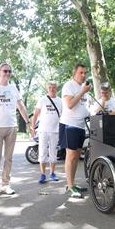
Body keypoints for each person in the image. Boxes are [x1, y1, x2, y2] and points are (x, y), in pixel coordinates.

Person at [0, 63, 29, 195]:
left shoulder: (13, 88)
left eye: (9, 71)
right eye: (5, 71)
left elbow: (21, 106)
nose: (7, 73)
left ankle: (6, 184)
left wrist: (28, 121)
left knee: (9, 158)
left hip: (11, 127)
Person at [59, 64, 91, 198]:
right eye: (81, 73)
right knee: (70, 155)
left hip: (81, 126)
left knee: (77, 156)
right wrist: (82, 92)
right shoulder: (69, 85)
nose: (83, 75)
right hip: (69, 125)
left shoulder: (82, 88)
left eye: (85, 73)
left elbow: (84, 106)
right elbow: (70, 105)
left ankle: (72, 184)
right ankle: (70, 186)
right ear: (74, 73)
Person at [31, 82, 62, 184]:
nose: (52, 89)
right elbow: (35, 115)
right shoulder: (42, 100)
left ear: (56, 89)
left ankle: (52, 173)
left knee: (53, 153)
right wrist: (32, 128)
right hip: (43, 131)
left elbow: (63, 116)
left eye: (54, 87)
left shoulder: (60, 101)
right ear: (47, 89)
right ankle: (43, 174)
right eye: (50, 88)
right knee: (43, 152)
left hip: (55, 131)